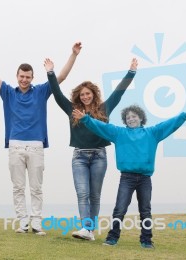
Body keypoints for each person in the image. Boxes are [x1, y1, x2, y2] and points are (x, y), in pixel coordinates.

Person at [0, 35, 81, 236]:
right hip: (15, 145)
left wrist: (73, 55)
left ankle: (36, 223)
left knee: (36, 187)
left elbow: (60, 77)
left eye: (28, 77)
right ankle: (23, 223)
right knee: (18, 187)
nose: (24, 79)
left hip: (36, 145)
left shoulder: (41, 91)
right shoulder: (8, 92)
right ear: (17, 76)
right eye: (21, 76)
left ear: (32, 78)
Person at [72, 105, 186, 248]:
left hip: (145, 179)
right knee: (119, 209)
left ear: (140, 118)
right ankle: (112, 238)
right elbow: (101, 126)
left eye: (134, 116)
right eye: (128, 117)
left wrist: (185, 115)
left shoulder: (152, 133)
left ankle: (146, 241)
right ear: (125, 121)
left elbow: (168, 124)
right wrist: (86, 119)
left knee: (145, 210)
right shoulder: (119, 133)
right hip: (126, 178)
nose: (131, 119)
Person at [44, 57, 137, 241]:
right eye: (82, 95)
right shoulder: (72, 110)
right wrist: (50, 72)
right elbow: (56, 93)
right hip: (79, 156)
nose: (85, 97)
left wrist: (131, 71)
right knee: (82, 193)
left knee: (94, 195)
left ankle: (90, 231)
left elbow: (120, 91)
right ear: (79, 96)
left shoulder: (104, 108)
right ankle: (86, 228)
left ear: (93, 94)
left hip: (99, 156)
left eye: (88, 93)